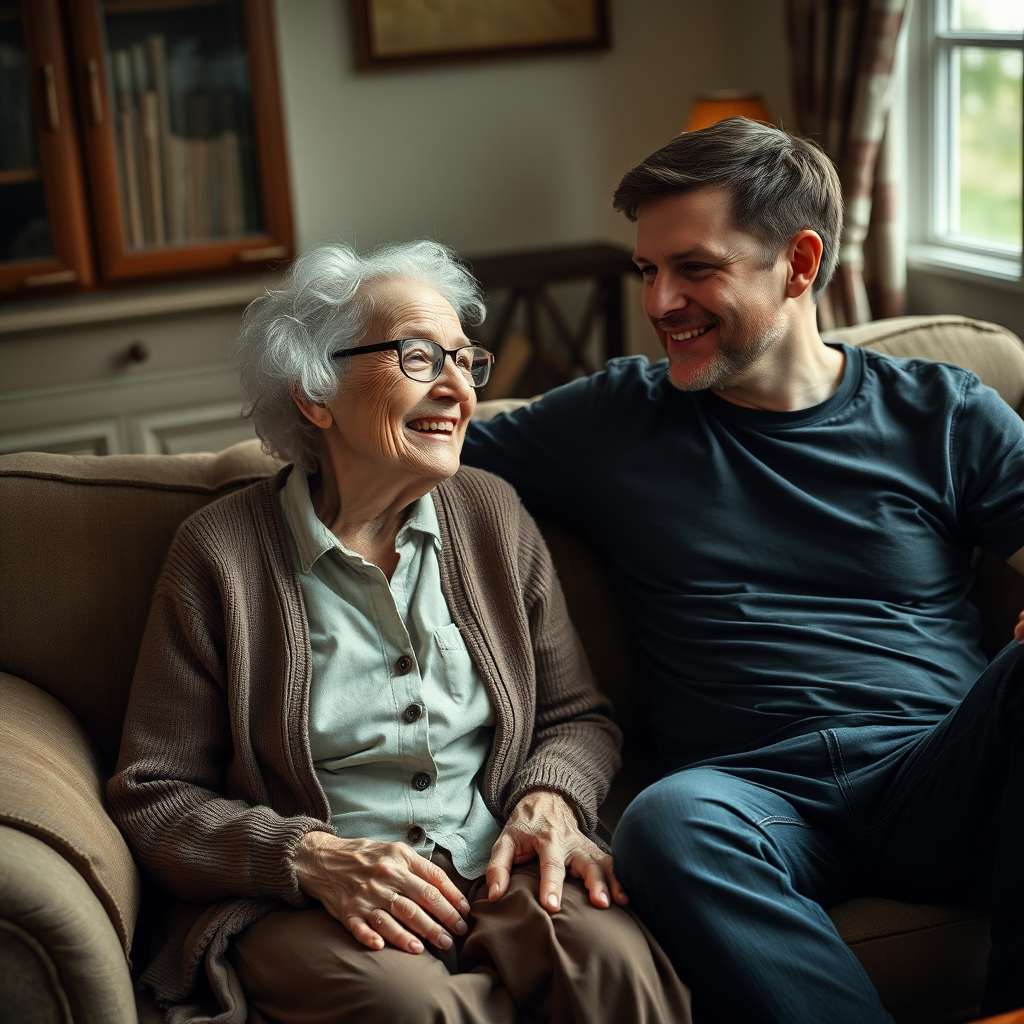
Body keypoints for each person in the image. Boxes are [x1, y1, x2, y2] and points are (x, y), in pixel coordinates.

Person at [461, 118, 1024, 1024]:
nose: (659, 301)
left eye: (695, 268)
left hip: (938, 773)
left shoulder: (944, 413)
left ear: (799, 264)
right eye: (648, 271)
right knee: (666, 821)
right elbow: (416, 452)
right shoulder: (612, 420)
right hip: (753, 802)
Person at [107, 240, 691, 1024]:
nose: (457, 387)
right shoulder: (220, 555)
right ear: (315, 394)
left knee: (615, 968)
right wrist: (308, 858)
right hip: (317, 901)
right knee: (410, 1009)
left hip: (496, 863)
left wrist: (549, 797)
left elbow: (574, 717)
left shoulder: (492, 515)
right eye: (419, 358)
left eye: (464, 359)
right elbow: (155, 796)